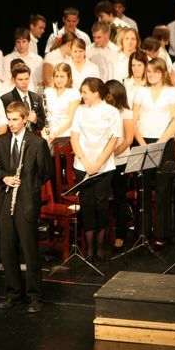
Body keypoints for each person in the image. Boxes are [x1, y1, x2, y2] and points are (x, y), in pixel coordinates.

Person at [0, 101, 52, 313]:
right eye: (8, 119)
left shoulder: (37, 142)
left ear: (25, 119)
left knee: (30, 251)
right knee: (7, 251)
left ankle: (35, 297)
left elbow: (46, 172)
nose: (11, 124)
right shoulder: (2, 141)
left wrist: (29, 187)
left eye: (15, 119)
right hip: (6, 200)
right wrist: (5, 178)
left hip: (27, 201)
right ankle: (13, 294)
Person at [70, 77, 121, 261]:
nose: (82, 95)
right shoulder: (80, 110)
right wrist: (85, 162)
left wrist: (98, 163)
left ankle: (101, 246)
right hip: (82, 165)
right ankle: (89, 247)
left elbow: (113, 140)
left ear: (96, 93)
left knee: (101, 203)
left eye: (85, 92)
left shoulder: (112, 112)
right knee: (87, 203)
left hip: (104, 166)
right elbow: (74, 138)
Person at [132, 58, 175, 246]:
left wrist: (160, 143)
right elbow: (134, 121)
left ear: (163, 73)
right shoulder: (140, 91)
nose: (151, 75)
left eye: (156, 72)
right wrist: (143, 144)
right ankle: (143, 233)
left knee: (162, 190)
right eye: (149, 71)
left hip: (164, 143)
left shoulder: (171, 92)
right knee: (143, 189)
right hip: (143, 141)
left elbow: (174, 121)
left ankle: (161, 233)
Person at [105, 80, 135, 252]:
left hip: (120, 161)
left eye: (109, 95)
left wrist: (111, 154)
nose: (107, 98)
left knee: (119, 198)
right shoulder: (104, 111)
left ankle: (120, 235)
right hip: (104, 162)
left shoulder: (126, 113)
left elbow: (128, 140)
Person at [0, 63, 46, 132]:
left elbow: (43, 123)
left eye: (26, 79)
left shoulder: (37, 97)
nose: (24, 82)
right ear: (13, 80)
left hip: (34, 137)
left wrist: (35, 119)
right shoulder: (5, 99)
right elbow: (4, 125)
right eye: (20, 79)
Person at [42, 62, 81, 143]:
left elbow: (70, 120)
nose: (58, 79)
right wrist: (45, 132)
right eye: (56, 76)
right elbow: (44, 115)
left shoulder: (74, 93)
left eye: (62, 76)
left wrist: (54, 135)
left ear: (68, 77)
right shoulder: (48, 92)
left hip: (66, 136)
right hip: (48, 135)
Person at [2, 27, 43, 91]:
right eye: (18, 42)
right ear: (15, 43)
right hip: (13, 94)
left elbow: (40, 82)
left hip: (32, 94)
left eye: (24, 41)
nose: (21, 45)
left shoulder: (38, 60)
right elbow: (5, 81)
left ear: (29, 41)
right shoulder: (7, 59)